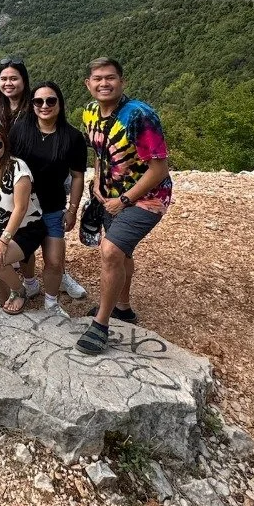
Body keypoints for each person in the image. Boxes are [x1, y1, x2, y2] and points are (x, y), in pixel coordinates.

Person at [76, 58, 173, 356]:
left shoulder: (140, 116)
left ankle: (101, 325)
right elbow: (99, 150)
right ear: (88, 84)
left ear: (122, 81)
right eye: (98, 79)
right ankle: (123, 307)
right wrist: (96, 181)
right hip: (109, 195)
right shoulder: (91, 112)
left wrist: (126, 199)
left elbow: (159, 169)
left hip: (147, 198)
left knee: (111, 250)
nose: (104, 83)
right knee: (122, 253)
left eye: (110, 78)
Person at [15, 81, 88, 313]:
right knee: (25, 254)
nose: (44, 105)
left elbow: (77, 176)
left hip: (54, 207)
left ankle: (51, 303)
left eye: (50, 100)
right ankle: (30, 284)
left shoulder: (73, 137)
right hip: (23, 207)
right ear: (32, 104)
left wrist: (72, 209)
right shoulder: (20, 130)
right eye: (38, 101)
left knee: (55, 261)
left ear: (60, 103)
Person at [0, 124, 46, 314]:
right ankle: (9, 303)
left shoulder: (18, 168)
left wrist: (3, 242)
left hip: (25, 228)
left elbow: (21, 208)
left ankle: (19, 291)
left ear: (5, 145)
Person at [0, 56, 31, 150]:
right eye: (3, 79)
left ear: (24, 81)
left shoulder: (35, 108)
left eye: (13, 79)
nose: (8, 83)